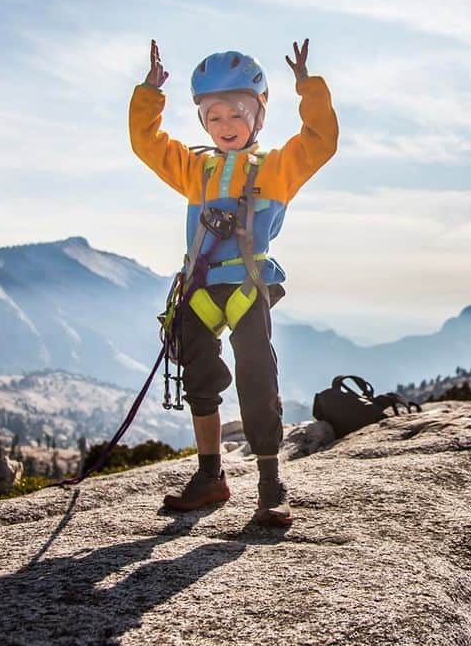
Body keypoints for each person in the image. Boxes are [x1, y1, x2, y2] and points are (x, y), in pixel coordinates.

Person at [129, 39, 338, 526]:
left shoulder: (278, 169)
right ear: (203, 123)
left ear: (258, 117)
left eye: (236, 116)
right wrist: (149, 94)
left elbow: (320, 139)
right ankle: (210, 476)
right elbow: (148, 144)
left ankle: (271, 484)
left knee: (256, 379)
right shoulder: (194, 170)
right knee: (200, 380)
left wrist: (309, 88)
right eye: (214, 118)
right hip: (199, 288)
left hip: (247, 285)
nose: (225, 127)